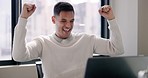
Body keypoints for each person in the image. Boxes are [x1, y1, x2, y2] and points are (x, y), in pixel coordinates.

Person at [12, 2, 124, 78]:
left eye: (71, 21)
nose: (68, 25)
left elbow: (117, 49)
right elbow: (19, 56)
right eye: (63, 21)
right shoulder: (43, 43)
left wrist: (111, 20)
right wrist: (23, 19)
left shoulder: (86, 40)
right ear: (53, 20)